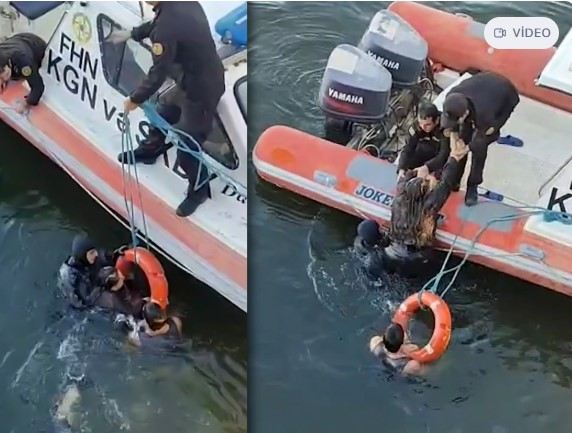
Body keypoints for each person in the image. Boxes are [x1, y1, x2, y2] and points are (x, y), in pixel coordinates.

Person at [109, 1, 226, 217]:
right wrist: (134, 33)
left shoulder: (165, 28)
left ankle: (199, 191)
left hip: (203, 90)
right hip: (193, 77)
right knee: (163, 110)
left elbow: (158, 72)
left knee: (187, 144)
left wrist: (135, 99)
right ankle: (151, 149)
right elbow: (160, 25)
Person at [354, 135, 470, 278]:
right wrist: (454, 158)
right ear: (425, 192)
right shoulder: (429, 206)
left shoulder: (400, 198)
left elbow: (403, 179)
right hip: (414, 256)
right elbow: (446, 183)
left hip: (393, 249)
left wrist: (417, 172)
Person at [440, 71, 520, 206]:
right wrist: (454, 141)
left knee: (479, 148)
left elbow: (476, 143)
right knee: (462, 138)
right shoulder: (452, 97)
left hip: (507, 95)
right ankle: (455, 179)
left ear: (465, 114)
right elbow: (452, 126)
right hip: (483, 84)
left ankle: (473, 186)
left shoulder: (484, 114)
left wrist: (464, 150)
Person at [57, 235, 124, 309]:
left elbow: (103, 256)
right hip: (82, 305)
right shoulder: (73, 277)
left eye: (95, 250)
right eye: (92, 252)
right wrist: (105, 285)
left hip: (92, 283)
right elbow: (85, 301)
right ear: (83, 255)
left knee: (110, 272)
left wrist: (115, 255)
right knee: (111, 300)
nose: (96, 254)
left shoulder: (89, 259)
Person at [398, 102, 449, 179]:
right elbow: (408, 148)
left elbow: (444, 154)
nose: (423, 127)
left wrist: (427, 167)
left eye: (427, 124)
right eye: (420, 123)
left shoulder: (445, 128)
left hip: (441, 152)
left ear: (437, 121)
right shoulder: (416, 126)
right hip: (425, 148)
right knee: (409, 162)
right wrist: (401, 168)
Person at [0, 33, 47, 113]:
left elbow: (38, 87)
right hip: (15, 42)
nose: (3, 77)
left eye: (4, 73)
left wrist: (26, 103)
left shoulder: (24, 63)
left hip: (35, 46)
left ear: (9, 64)